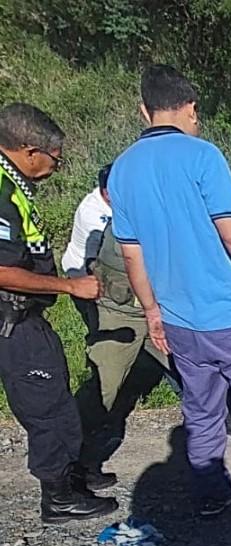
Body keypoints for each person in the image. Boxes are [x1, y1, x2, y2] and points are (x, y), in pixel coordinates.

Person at [108, 65, 231, 517]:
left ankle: (212, 496)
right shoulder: (204, 156)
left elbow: (132, 256)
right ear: (191, 109)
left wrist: (152, 311)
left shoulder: (122, 170)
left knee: (201, 413)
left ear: (144, 110)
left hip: (179, 322)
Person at [0, 102, 118, 523]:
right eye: (55, 159)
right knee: (46, 405)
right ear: (30, 151)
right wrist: (69, 285)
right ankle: (59, 496)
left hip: (26, 316)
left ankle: (72, 477)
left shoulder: (12, 184)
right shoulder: (1, 192)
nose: (56, 168)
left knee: (55, 396)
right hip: (13, 319)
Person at [75, 220, 178, 470]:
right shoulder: (118, 209)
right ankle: (72, 463)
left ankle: (218, 443)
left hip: (169, 306)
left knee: (199, 374)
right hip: (119, 308)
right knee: (104, 385)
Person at [62, 164, 112, 330]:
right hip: (84, 276)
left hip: (100, 273)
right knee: (100, 328)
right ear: (107, 193)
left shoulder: (110, 198)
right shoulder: (93, 215)